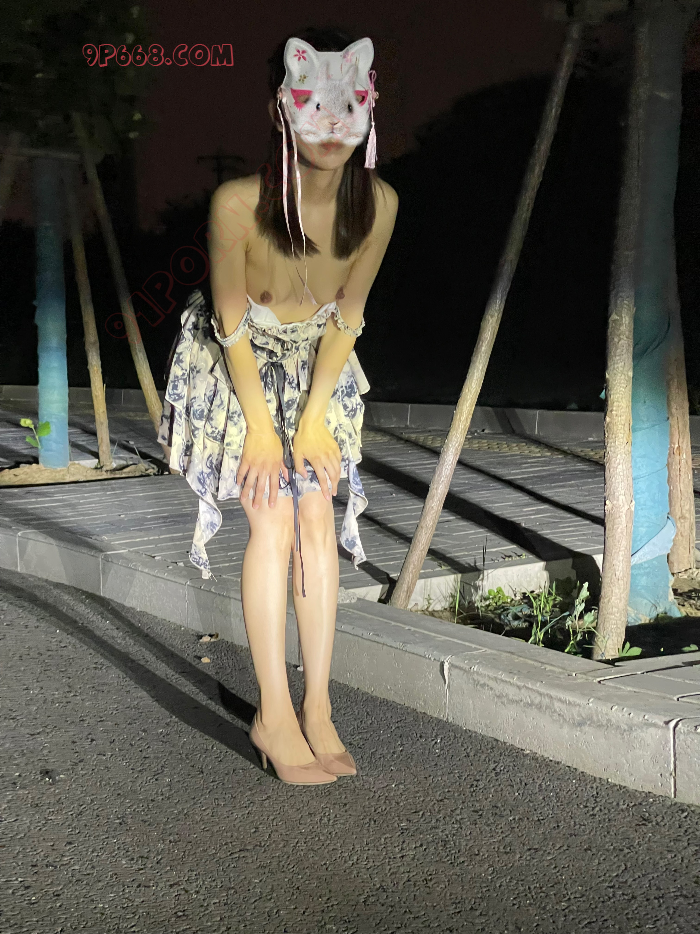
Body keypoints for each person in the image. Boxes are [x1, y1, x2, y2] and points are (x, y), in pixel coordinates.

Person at [158, 26, 398, 784]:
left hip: (317, 364)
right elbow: (230, 322)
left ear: (369, 105)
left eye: (347, 102)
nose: (329, 120)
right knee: (273, 514)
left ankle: (318, 706)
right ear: (279, 110)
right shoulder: (237, 203)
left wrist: (316, 417)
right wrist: (264, 432)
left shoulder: (379, 204)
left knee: (317, 513)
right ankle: (272, 712)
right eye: (310, 101)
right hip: (235, 363)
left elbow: (349, 315)